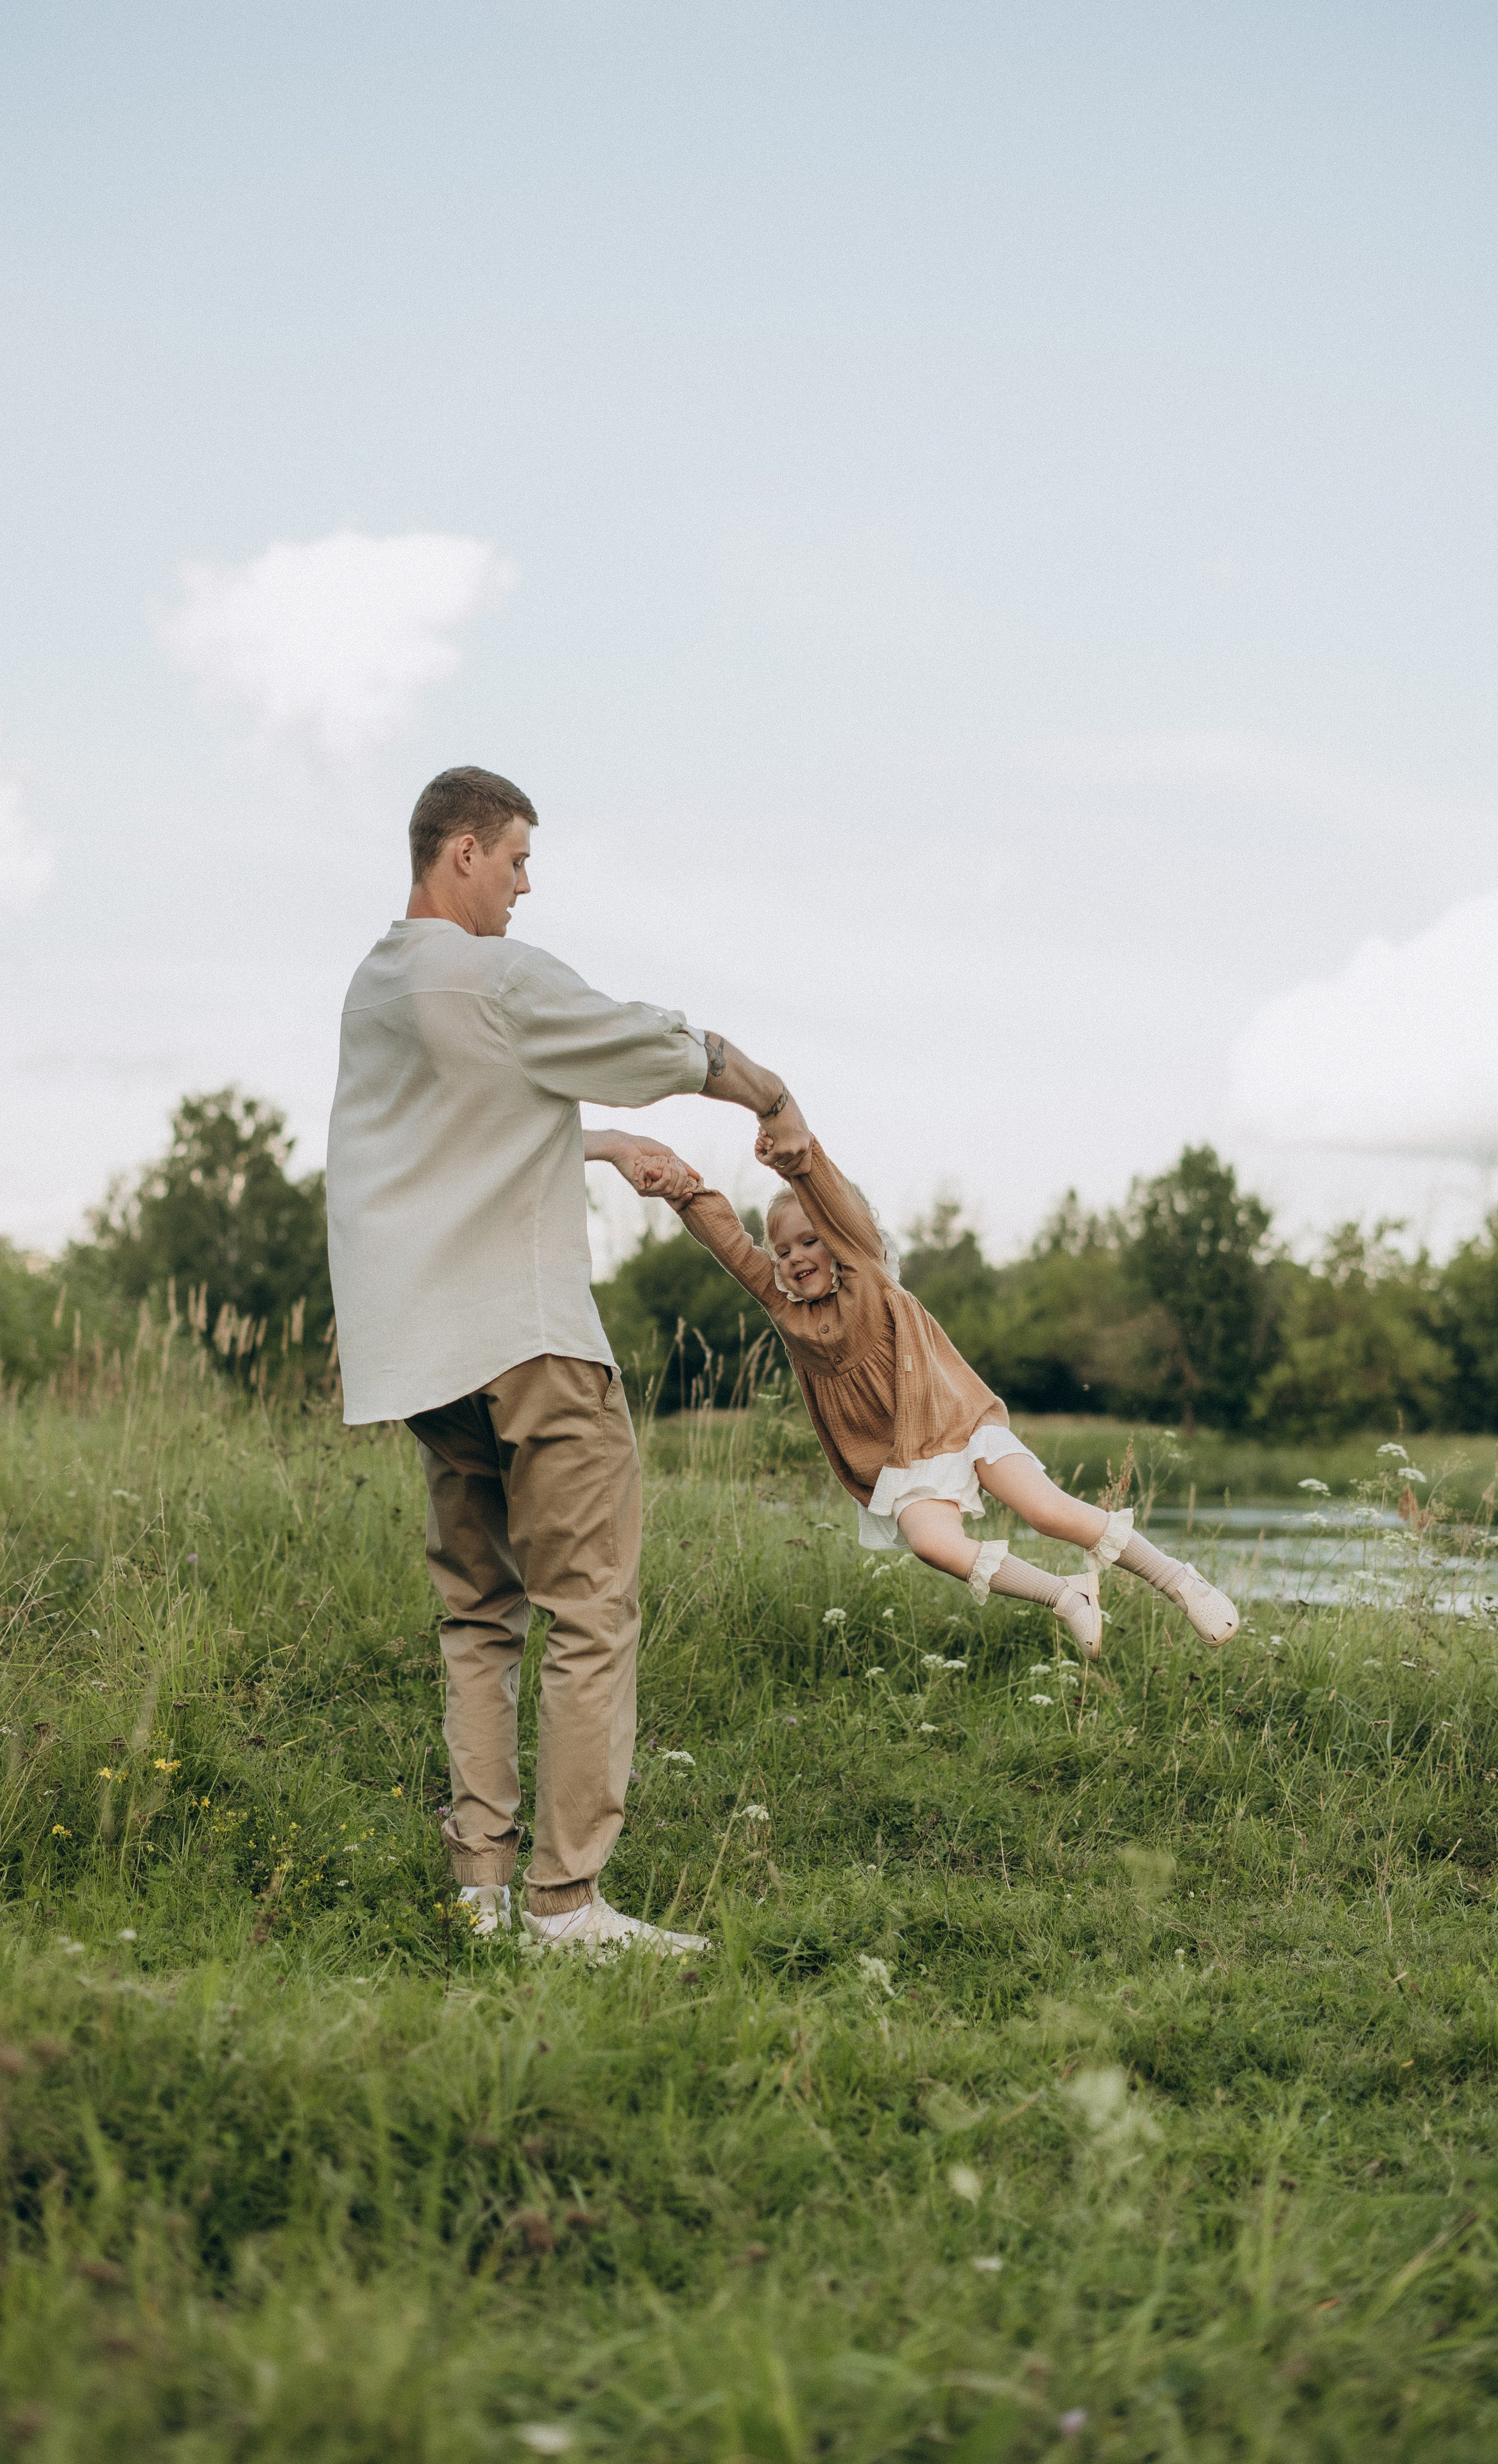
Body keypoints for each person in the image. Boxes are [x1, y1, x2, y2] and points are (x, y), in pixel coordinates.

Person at [325, 765, 813, 1955]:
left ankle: (483, 1890)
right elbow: (648, 1039)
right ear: (464, 854)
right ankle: (568, 1905)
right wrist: (769, 1096)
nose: (525, 886)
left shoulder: (378, 985)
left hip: (425, 1355)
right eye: (519, 859)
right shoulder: (488, 971)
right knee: (591, 1609)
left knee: (479, 1617)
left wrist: (592, 1145)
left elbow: (461, 1125)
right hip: (528, 1337)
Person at [658, 1134, 1239, 1656]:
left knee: (1047, 1510)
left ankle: (1180, 1581)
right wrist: (683, 1193)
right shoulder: (786, 1309)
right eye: (782, 1251)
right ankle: (1066, 1597)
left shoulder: (868, 1276)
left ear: (839, 1240)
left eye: (810, 1241)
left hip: (959, 1420)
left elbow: (839, 1212)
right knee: (934, 1546)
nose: (794, 1257)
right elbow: (733, 1246)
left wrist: (800, 1163)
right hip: (902, 1454)